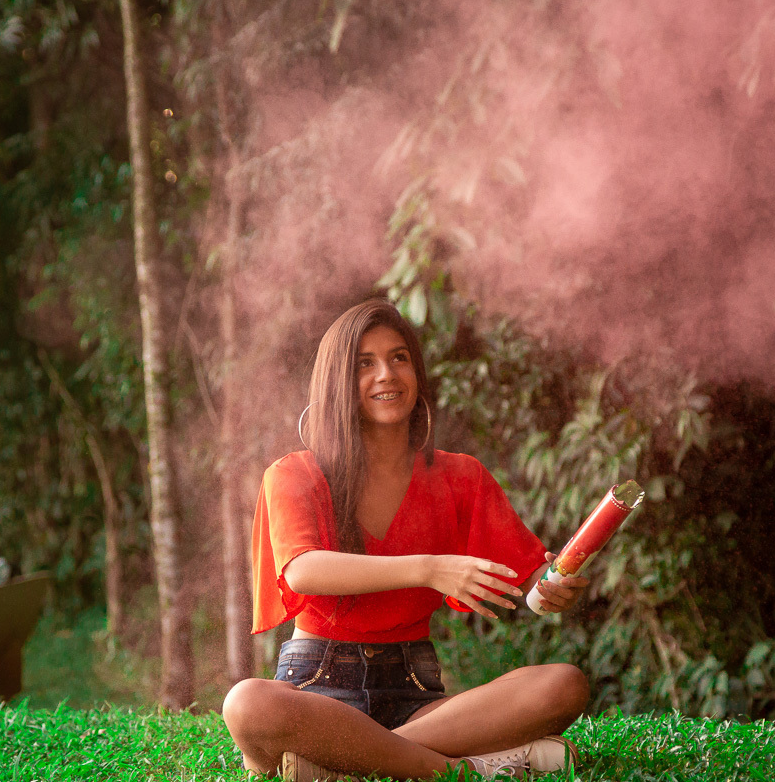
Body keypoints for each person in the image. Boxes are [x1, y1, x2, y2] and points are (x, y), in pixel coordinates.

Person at [222, 299, 591, 781]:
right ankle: (461, 770)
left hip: (417, 697)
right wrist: (430, 568)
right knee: (247, 704)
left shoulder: (462, 476)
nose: (387, 375)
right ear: (336, 381)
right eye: (364, 364)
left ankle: (344, 764)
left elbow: (528, 574)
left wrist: (554, 582)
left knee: (563, 684)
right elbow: (303, 569)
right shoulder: (295, 474)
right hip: (315, 690)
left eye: (399, 358)